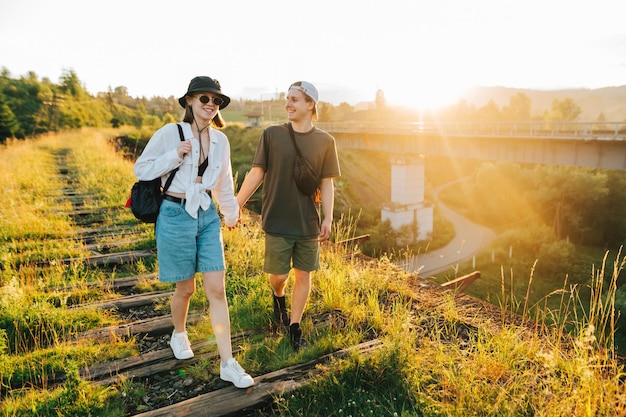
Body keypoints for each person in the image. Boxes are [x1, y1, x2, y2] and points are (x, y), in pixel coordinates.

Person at [134, 76, 254, 388]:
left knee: (217, 290)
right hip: (174, 214)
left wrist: (230, 214)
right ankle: (179, 332)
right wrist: (175, 154)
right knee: (185, 289)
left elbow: (224, 184)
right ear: (189, 101)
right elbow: (142, 170)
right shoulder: (170, 133)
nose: (211, 105)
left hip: (206, 215)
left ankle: (227, 362)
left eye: (216, 101)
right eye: (204, 99)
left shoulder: (221, 141)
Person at [236, 81, 341, 350]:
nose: (288, 104)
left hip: (308, 222)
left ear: (310, 104)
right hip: (277, 219)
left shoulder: (326, 142)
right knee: (279, 274)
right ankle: (278, 293)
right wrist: (236, 204)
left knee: (304, 275)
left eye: (294, 99)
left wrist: (327, 218)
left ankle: (295, 327)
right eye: (287, 98)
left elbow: (327, 182)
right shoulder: (272, 135)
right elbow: (257, 173)